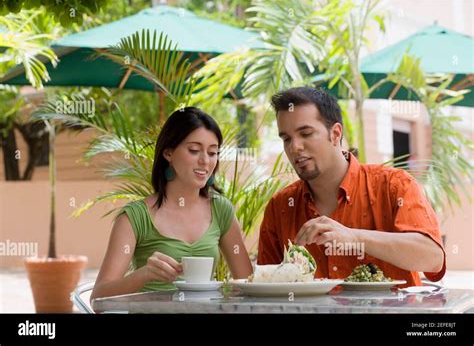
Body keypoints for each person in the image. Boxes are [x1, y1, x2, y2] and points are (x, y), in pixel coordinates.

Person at [257, 87, 445, 287]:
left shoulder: (395, 186)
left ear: (336, 134)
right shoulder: (280, 207)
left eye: (306, 133)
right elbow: (265, 285)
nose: (294, 147)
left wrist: (353, 237)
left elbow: (433, 259)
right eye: (286, 139)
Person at [91, 107, 252, 299]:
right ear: (168, 153)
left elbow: (247, 282)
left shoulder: (221, 209)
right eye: (194, 150)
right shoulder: (135, 217)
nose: (205, 161)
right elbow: (98, 298)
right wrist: (143, 274)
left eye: (212, 153)